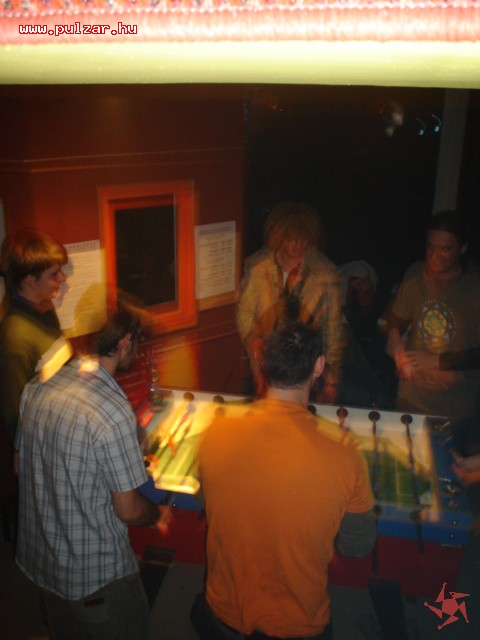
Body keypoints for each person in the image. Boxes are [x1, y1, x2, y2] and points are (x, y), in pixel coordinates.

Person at [191, 322, 376, 640]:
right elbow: (358, 546)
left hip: (221, 617)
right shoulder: (346, 454)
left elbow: (204, 501)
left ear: (262, 362)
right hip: (297, 627)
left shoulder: (214, 431)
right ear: (318, 366)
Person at [14, 307, 171, 640]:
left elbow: (20, 466)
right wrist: (157, 514)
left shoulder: (36, 387)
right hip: (96, 580)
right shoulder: (112, 412)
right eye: (138, 341)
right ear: (125, 342)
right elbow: (128, 510)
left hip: (44, 566)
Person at [236, 201, 344, 402]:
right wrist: (252, 343)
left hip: (306, 369)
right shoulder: (258, 267)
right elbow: (244, 311)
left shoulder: (325, 272)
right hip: (267, 367)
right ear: (278, 236)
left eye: (303, 239)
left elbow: (333, 328)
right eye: (292, 239)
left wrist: (332, 377)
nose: (298, 245)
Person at [384, 210, 480, 418]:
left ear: (462, 248)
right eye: (430, 246)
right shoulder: (415, 274)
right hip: (411, 398)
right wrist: (394, 336)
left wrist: (437, 360)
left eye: (445, 249)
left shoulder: (474, 287)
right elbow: (395, 319)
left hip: (455, 405)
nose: (435, 255)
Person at [0, 228, 72, 444]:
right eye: (54, 274)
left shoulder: (44, 309)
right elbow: (17, 420)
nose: (62, 278)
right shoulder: (15, 338)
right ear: (29, 279)